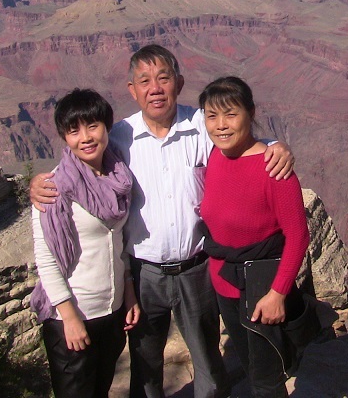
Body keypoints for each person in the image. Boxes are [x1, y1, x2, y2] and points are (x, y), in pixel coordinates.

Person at [31, 44, 295, 398]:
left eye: (163, 78)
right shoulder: (119, 136)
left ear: (179, 83)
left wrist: (276, 145)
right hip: (143, 275)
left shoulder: (203, 125)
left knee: (208, 364)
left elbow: (238, 132)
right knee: (145, 367)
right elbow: (80, 163)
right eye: (144, 81)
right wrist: (39, 183)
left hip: (196, 269)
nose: (155, 88)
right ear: (132, 90)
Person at [198, 76, 310, 398]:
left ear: (251, 113)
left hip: (261, 290)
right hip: (224, 286)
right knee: (249, 368)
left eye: (231, 114)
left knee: (267, 381)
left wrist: (277, 294)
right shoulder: (216, 156)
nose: (221, 125)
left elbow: (298, 236)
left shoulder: (274, 169)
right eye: (212, 116)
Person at [30, 88, 140, 398]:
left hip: (112, 312)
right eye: (74, 130)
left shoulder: (119, 177)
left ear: (107, 127)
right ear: (64, 137)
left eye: (93, 126)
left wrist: (128, 292)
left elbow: (121, 242)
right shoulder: (54, 188)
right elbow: (47, 259)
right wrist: (69, 317)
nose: (86, 137)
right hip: (72, 317)